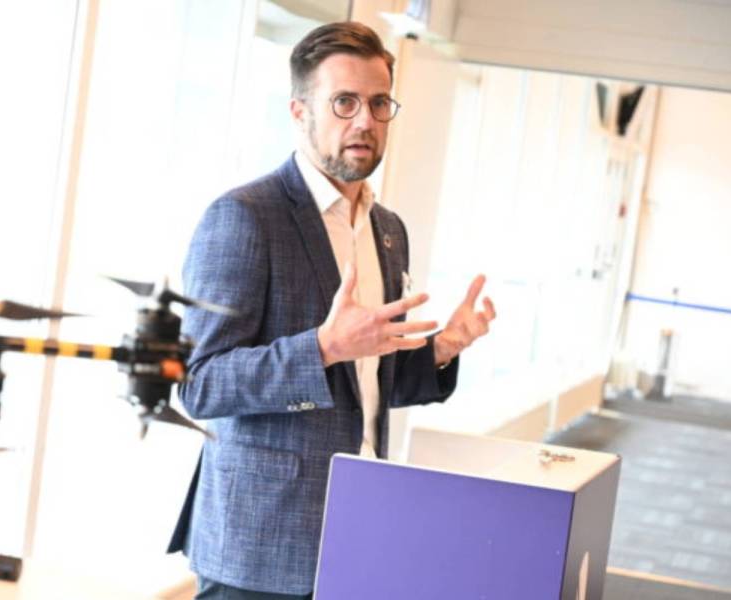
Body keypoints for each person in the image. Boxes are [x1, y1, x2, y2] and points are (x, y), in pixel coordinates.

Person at [166, 21, 496, 599]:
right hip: (260, 545)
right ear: (299, 112)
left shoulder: (387, 229)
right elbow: (198, 383)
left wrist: (442, 348)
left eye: (378, 103)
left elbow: (367, 384)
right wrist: (323, 347)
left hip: (357, 533)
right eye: (344, 102)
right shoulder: (246, 216)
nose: (364, 120)